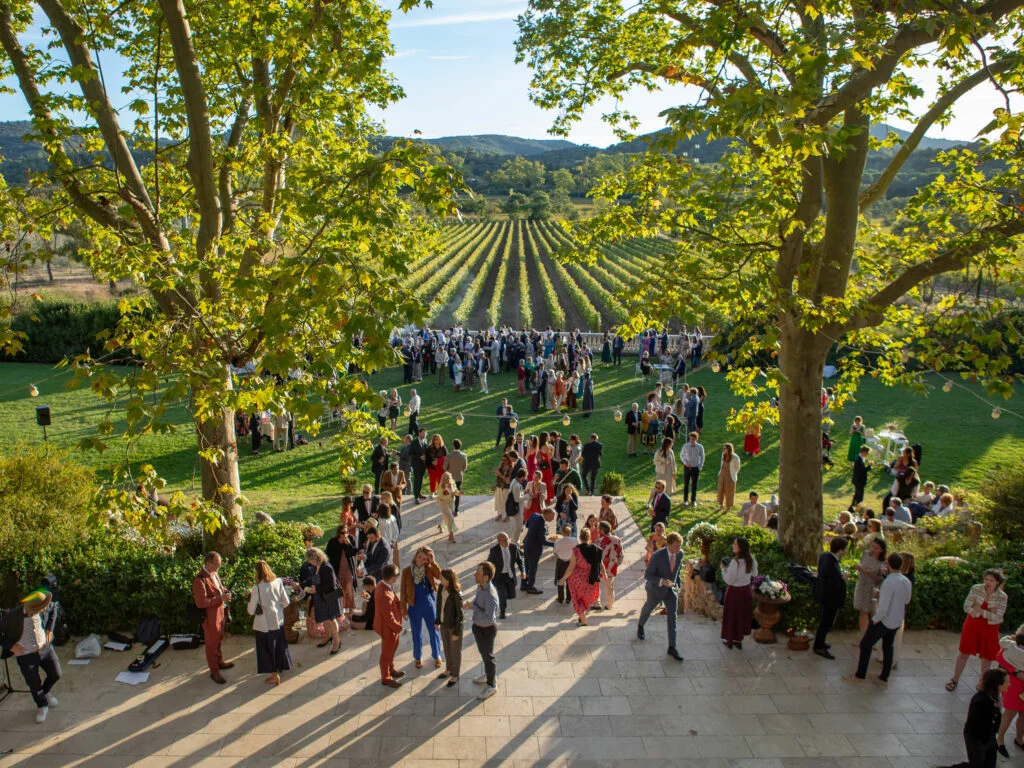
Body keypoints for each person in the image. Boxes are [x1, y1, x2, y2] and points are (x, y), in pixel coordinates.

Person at [845, 552, 912, 687]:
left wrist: (875, 619)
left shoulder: (888, 582)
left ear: (888, 565)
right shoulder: (906, 581)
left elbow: (884, 608)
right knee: (888, 647)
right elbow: (906, 600)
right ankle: (883, 678)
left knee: (865, 644)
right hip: (897, 620)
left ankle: (860, 675)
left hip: (884, 621)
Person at [0, 587, 61, 722]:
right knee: (34, 684)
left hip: (45, 649)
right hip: (26, 655)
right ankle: (42, 705)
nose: (44, 609)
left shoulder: (44, 606)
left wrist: (50, 629)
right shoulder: (12, 617)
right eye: (41, 609)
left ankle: (45, 693)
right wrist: (10, 646)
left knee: (56, 674)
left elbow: (53, 609)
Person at [947, 569, 1009, 692]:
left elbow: (998, 617)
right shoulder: (976, 588)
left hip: (990, 628)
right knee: (963, 653)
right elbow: (966, 606)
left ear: (997, 582)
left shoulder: (1002, 597)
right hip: (972, 624)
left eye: (991, 580)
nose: (988, 582)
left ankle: (982, 682)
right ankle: (955, 679)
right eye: (986, 579)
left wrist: (980, 610)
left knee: (986, 657)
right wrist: (989, 612)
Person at [941, 667, 1009, 768]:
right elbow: (975, 724)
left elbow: (997, 717)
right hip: (977, 738)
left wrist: (993, 732)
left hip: (989, 736)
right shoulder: (980, 701)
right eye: (1006, 682)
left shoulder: (996, 697)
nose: (1009, 684)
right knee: (976, 765)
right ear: (997, 685)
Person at [636, 531, 684, 662]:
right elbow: (648, 575)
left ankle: (672, 647)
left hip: (671, 591)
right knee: (648, 609)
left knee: (672, 618)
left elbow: (677, 570)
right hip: (656, 589)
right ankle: (640, 626)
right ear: (668, 545)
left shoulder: (680, 554)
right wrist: (661, 581)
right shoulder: (657, 556)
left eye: (679, 546)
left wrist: (677, 585)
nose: (678, 549)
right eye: (676, 546)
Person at [247, 560, 292, 687]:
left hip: (264, 624)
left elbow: (251, 611)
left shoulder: (257, 588)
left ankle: (274, 674)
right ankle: (280, 667)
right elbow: (286, 602)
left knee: (267, 650)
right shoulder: (278, 582)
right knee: (279, 647)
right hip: (278, 620)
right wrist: (278, 607)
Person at [193, 551, 234, 684]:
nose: (219, 566)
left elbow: (220, 588)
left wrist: (226, 592)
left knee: (219, 639)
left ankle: (220, 662)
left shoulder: (215, 574)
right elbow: (201, 603)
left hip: (220, 614)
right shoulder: (200, 580)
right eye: (217, 564)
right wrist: (220, 598)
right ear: (208, 563)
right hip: (210, 618)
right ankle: (214, 672)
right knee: (211, 645)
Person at [400, 547, 443, 670]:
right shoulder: (407, 571)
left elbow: (440, 576)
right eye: (420, 557)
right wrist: (403, 609)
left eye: (424, 559)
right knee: (416, 632)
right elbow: (403, 592)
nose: (421, 560)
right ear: (416, 556)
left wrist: (432, 562)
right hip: (414, 605)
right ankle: (418, 656)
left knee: (434, 630)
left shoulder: (428, 569)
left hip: (428, 603)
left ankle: (437, 655)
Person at [557, 527, 606, 626]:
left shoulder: (576, 550)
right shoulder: (596, 550)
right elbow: (600, 564)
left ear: (580, 537)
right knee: (585, 600)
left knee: (577, 600)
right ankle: (581, 617)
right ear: (590, 538)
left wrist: (562, 579)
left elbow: (570, 568)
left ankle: (583, 621)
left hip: (577, 580)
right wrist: (604, 574)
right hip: (591, 580)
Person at [467, 562, 500, 700]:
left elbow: (489, 618)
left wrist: (474, 608)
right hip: (478, 627)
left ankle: (492, 685)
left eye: (478, 573)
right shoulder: (480, 588)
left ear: (485, 577)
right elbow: (477, 603)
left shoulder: (491, 595)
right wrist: (472, 605)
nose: (475, 575)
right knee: (484, 655)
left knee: (488, 657)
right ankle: (488, 675)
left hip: (486, 630)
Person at [813, 536, 849, 659]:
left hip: (823, 594)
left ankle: (820, 643)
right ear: (841, 551)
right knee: (826, 623)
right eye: (845, 549)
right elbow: (835, 585)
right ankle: (819, 646)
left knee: (825, 622)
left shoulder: (825, 556)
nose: (846, 552)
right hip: (830, 598)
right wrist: (843, 579)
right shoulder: (832, 564)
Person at [721, 537, 758, 649]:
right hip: (746, 591)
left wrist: (723, 569)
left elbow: (729, 580)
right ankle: (738, 640)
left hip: (734, 592)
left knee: (732, 616)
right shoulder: (751, 559)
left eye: (735, 544)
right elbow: (755, 574)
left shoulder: (735, 562)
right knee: (741, 615)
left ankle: (730, 640)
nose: (733, 546)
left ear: (740, 548)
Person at [304, 547, 342, 655]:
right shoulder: (317, 566)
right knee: (325, 619)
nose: (308, 562)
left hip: (328, 598)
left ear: (315, 558)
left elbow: (331, 585)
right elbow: (312, 579)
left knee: (331, 620)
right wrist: (301, 584)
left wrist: (316, 589)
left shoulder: (327, 567)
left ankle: (337, 642)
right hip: (320, 598)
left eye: (309, 559)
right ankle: (327, 636)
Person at [373, 564, 405, 688]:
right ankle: (385, 678)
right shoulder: (384, 594)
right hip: (388, 629)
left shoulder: (384, 585)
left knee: (392, 649)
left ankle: (391, 670)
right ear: (391, 577)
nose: (398, 577)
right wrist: (399, 628)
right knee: (386, 653)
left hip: (391, 627)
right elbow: (388, 617)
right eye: (397, 575)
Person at [996, 626, 1024, 756]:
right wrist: (1015, 671)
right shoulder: (1012, 648)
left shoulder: (1012, 644)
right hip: (1013, 685)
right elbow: (1000, 657)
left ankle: (1019, 739)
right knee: (1009, 713)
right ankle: (1000, 740)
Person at [435, 568, 465, 688]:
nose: (440, 580)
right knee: (447, 649)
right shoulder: (441, 589)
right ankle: (448, 669)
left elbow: (460, 615)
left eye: (442, 578)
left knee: (455, 652)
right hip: (444, 624)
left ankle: (455, 674)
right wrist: (437, 620)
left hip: (453, 627)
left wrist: (456, 632)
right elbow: (439, 605)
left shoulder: (456, 594)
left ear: (448, 580)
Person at [854, 536, 888, 638]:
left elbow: (881, 579)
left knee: (873, 613)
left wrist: (869, 573)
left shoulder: (883, 562)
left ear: (882, 550)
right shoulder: (866, 554)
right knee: (862, 611)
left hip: (873, 588)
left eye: (876, 548)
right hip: (862, 585)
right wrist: (858, 567)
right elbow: (860, 564)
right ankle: (863, 636)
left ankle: (873, 636)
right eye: (872, 546)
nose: (873, 549)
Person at [487, 532, 525, 619]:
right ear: (499, 541)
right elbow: (489, 563)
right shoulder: (494, 550)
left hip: (510, 575)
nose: (507, 542)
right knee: (502, 594)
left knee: (511, 595)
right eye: (504, 540)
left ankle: (501, 600)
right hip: (499, 576)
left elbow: (519, 561)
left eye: (507, 539)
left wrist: (523, 571)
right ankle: (502, 612)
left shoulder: (513, 547)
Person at [523, 507, 557, 595]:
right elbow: (543, 541)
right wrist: (555, 544)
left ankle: (523, 584)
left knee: (526, 566)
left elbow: (527, 525)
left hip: (527, 544)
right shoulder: (542, 526)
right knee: (533, 568)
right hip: (535, 549)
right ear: (547, 515)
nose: (553, 519)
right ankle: (530, 586)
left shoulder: (534, 515)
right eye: (552, 516)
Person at [325, 526, 357, 616]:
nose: (345, 534)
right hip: (337, 570)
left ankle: (350, 610)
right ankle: (341, 611)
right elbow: (327, 554)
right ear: (338, 533)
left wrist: (348, 544)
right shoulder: (333, 541)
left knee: (349, 590)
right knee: (340, 591)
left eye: (346, 532)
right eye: (342, 533)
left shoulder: (351, 539)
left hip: (348, 570)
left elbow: (354, 552)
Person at [596, 520, 623, 611]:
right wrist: (616, 563)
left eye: (599, 528)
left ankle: (597, 603)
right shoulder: (617, 540)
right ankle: (609, 604)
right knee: (610, 587)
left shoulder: (598, 541)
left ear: (602, 530)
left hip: (600, 567)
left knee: (597, 585)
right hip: (612, 567)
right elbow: (621, 555)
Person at [443, 439, 468, 515]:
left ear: (453, 446)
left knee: (449, 494)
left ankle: (449, 509)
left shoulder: (449, 456)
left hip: (450, 478)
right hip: (459, 478)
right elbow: (464, 468)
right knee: (457, 494)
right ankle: (456, 510)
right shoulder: (464, 455)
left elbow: (444, 467)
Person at [679, 431, 704, 507]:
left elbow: (702, 457)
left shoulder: (700, 447)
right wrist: (685, 462)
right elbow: (681, 455)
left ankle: (693, 500)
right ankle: (685, 500)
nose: (691, 440)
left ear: (696, 439)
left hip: (695, 468)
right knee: (686, 484)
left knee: (694, 485)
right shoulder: (685, 446)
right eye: (690, 439)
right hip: (687, 467)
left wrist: (700, 467)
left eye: (693, 439)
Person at [436, 471, 460, 543]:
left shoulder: (452, 482)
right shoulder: (441, 486)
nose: (448, 480)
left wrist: (459, 493)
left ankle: (441, 525)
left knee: (446, 517)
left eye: (449, 478)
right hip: (443, 503)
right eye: (447, 479)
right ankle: (451, 535)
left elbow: (455, 491)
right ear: (444, 479)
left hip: (451, 503)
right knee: (450, 518)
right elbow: (440, 496)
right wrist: (450, 494)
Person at [716, 443, 741, 509]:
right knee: (721, 490)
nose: (723, 450)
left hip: (730, 476)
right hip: (722, 475)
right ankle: (721, 505)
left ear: (729, 449)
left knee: (729, 492)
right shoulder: (723, 455)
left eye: (725, 448)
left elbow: (737, 468)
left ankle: (728, 507)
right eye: (723, 448)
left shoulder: (735, 457)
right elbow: (722, 465)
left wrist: (733, 473)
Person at [410, 428, 429, 504]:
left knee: (421, 479)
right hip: (416, 464)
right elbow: (410, 454)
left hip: (423, 464)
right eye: (423, 433)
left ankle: (419, 493)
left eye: (425, 434)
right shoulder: (414, 442)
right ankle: (416, 497)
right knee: (417, 479)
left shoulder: (425, 441)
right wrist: (419, 457)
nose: (425, 435)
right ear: (419, 433)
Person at [850, 444, 871, 511]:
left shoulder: (858, 458)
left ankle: (852, 507)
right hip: (859, 481)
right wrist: (869, 466)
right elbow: (863, 471)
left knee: (856, 495)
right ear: (863, 452)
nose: (867, 454)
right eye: (867, 452)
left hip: (858, 480)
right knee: (859, 496)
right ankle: (858, 509)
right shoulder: (859, 459)